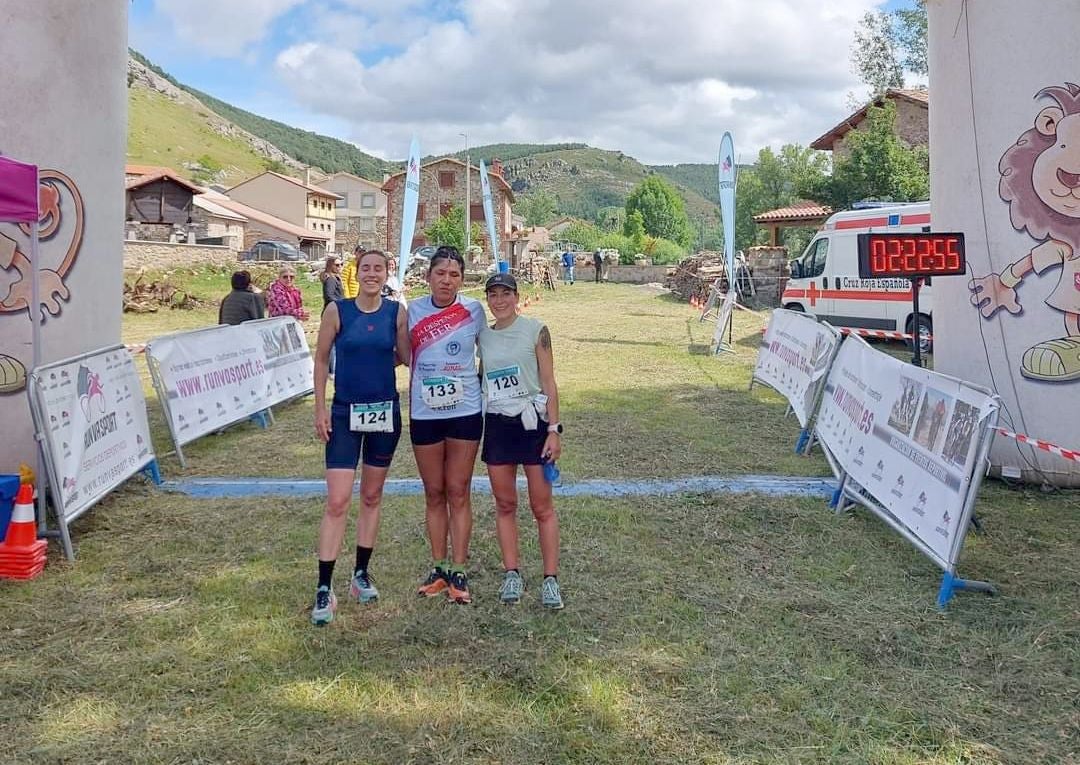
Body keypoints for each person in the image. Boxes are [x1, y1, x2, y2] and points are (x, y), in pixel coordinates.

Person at [309, 249, 410, 626]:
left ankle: (360, 575)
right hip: (344, 414)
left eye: (378, 269)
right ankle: (324, 586)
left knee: (371, 496)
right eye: (365, 268)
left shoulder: (396, 313)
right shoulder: (337, 310)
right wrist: (320, 407)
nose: (371, 274)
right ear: (358, 272)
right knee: (337, 500)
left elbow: (404, 355)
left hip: (384, 413)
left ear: (387, 274)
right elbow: (321, 360)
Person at [477, 272, 564, 609]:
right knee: (505, 504)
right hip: (498, 425)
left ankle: (550, 579)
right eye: (493, 295)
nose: (500, 301)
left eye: (506, 294)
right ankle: (511, 572)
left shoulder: (535, 330)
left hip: (533, 426)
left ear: (517, 296)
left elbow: (549, 382)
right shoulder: (483, 335)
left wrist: (554, 429)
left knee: (541, 506)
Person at [408, 246, 485, 604]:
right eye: (441, 273)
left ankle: (459, 569)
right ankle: (438, 567)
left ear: (462, 279)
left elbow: (494, 350)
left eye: (455, 275)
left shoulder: (473, 310)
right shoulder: (412, 311)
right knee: (434, 492)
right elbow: (393, 352)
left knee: (458, 490)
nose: (447, 280)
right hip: (425, 414)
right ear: (429, 276)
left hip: (465, 411)